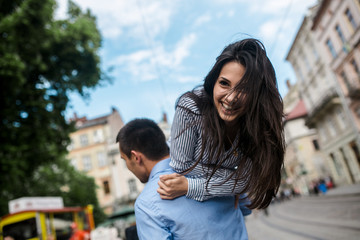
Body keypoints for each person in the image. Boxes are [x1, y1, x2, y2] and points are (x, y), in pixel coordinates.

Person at [157, 38, 285, 210]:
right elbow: (181, 166)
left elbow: (247, 181)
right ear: (213, 82)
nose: (231, 98)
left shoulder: (257, 124)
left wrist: (190, 186)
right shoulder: (190, 107)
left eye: (244, 89)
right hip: (173, 180)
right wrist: (233, 178)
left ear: (257, 95)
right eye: (224, 83)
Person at [116, 118, 248, 239]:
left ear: (136, 157)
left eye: (124, 160)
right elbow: (246, 206)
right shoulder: (209, 166)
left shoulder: (146, 204)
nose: (127, 166)